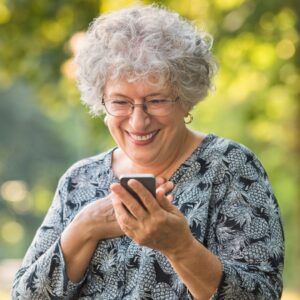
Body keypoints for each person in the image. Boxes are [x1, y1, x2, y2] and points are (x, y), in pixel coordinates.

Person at [12, 4, 284, 300]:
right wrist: (85, 227)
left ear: (187, 99)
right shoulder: (80, 181)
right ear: (100, 100)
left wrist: (180, 247)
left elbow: (263, 294)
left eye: (156, 101)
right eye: (120, 102)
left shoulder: (230, 167)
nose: (138, 120)